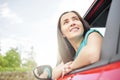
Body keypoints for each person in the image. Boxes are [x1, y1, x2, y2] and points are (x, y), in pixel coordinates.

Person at [33, 11, 103, 80]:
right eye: (66, 22)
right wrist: (46, 72)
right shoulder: (70, 57)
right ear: (62, 33)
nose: (72, 23)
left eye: (75, 19)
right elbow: (53, 74)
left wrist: (71, 67)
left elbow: (92, 54)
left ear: (82, 24)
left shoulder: (92, 34)